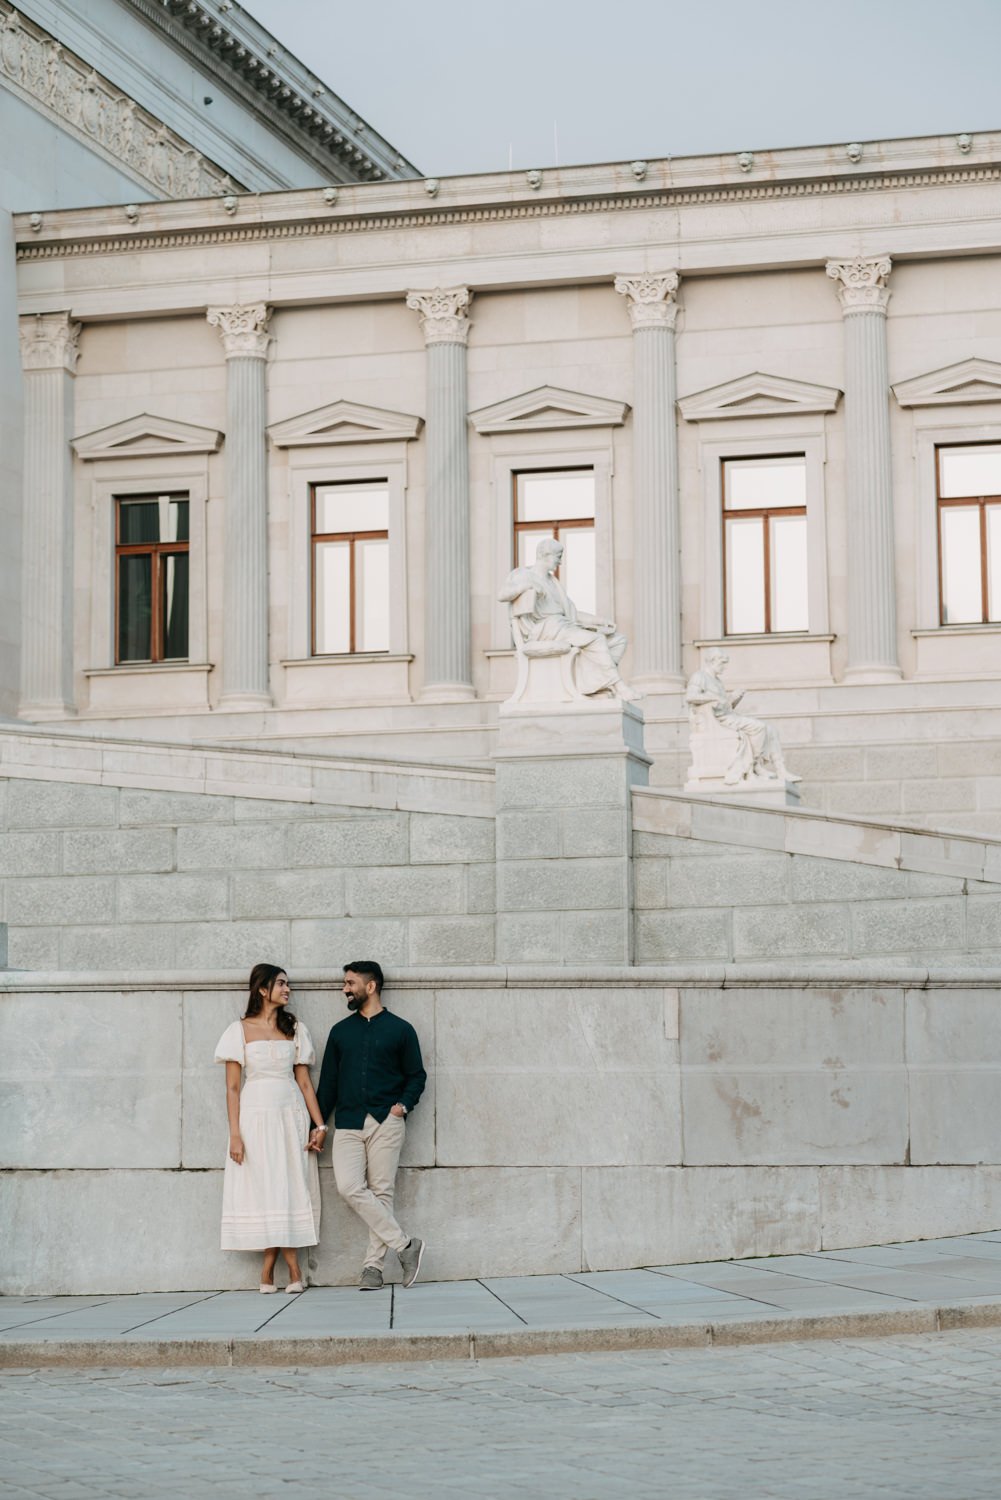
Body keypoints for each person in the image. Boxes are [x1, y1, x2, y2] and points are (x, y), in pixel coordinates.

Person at [313, 961, 427, 1292]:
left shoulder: (401, 1030)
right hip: (347, 1121)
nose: (345, 989)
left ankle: (373, 1269)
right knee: (349, 1187)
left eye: (350, 983)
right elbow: (329, 1085)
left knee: (382, 1192)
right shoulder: (340, 1032)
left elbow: (416, 1076)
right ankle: (406, 1246)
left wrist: (401, 1108)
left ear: (371, 986)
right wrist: (318, 1125)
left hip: (386, 1121)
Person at [214, 964, 325, 1293]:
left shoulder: (295, 1028)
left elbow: (304, 1083)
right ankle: (290, 1269)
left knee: (288, 1185)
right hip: (255, 1116)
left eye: (287, 984)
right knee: (264, 1187)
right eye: (280, 984)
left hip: (289, 1114)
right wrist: (235, 1134)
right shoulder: (238, 1031)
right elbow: (232, 1088)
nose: (287, 990)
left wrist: (320, 1125)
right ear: (262, 990)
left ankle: (270, 1272)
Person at [498, 536, 641, 700]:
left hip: (563, 626)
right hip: (545, 630)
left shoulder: (554, 583)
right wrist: (526, 586)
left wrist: (599, 621)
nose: (560, 563)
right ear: (545, 555)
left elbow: (571, 613)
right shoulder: (525, 576)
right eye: (558, 557)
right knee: (596, 640)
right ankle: (619, 686)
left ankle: (595, 686)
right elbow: (502, 595)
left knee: (618, 641)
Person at [685, 648, 801, 785]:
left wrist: (734, 698)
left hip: (727, 716)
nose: (724, 667)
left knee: (771, 730)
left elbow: (725, 705)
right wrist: (714, 697)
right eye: (722, 663)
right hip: (718, 721)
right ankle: (755, 765)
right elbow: (691, 696)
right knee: (759, 727)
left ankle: (781, 770)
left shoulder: (717, 681)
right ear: (712, 661)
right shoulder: (700, 676)